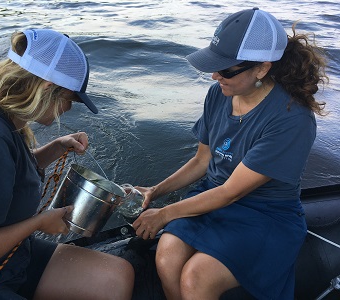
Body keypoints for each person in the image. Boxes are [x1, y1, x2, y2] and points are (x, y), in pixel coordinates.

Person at [132, 7, 328, 300]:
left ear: (262, 68)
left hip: (264, 213)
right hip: (211, 195)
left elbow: (231, 193)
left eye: (225, 69)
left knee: (196, 279)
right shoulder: (220, 93)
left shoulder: (292, 119)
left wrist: (164, 215)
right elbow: (203, 159)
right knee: (167, 255)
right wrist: (155, 192)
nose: (214, 75)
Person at [0, 29, 134, 299]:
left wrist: (56, 148)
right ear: (46, 87)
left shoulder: (2, 118)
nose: (68, 109)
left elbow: (5, 175)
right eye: (71, 99)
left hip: (12, 257)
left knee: (116, 277)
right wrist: (39, 223)